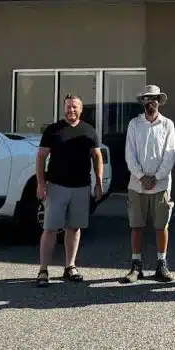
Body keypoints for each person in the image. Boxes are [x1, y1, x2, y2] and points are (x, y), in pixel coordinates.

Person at [35, 94, 103, 287]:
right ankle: (43, 270)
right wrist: (41, 183)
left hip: (81, 187)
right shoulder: (53, 130)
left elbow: (97, 156)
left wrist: (98, 182)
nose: (71, 110)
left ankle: (70, 266)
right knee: (50, 229)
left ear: (81, 109)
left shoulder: (88, 130)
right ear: (63, 108)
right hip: (56, 186)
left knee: (74, 227)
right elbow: (41, 157)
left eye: (74, 107)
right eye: (68, 107)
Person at [123, 85, 175, 283]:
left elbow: (170, 154)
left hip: (161, 185)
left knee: (161, 226)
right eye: (147, 98)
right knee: (136, 226)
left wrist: (156, 177)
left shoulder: (167, 124)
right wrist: (141, 176)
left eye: (154, 98)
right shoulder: (134, 124)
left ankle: (161, 264)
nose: (150, 102)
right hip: (137, 185)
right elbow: (129, 154)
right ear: (143, 102)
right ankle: (136, 266)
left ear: (159, 101)